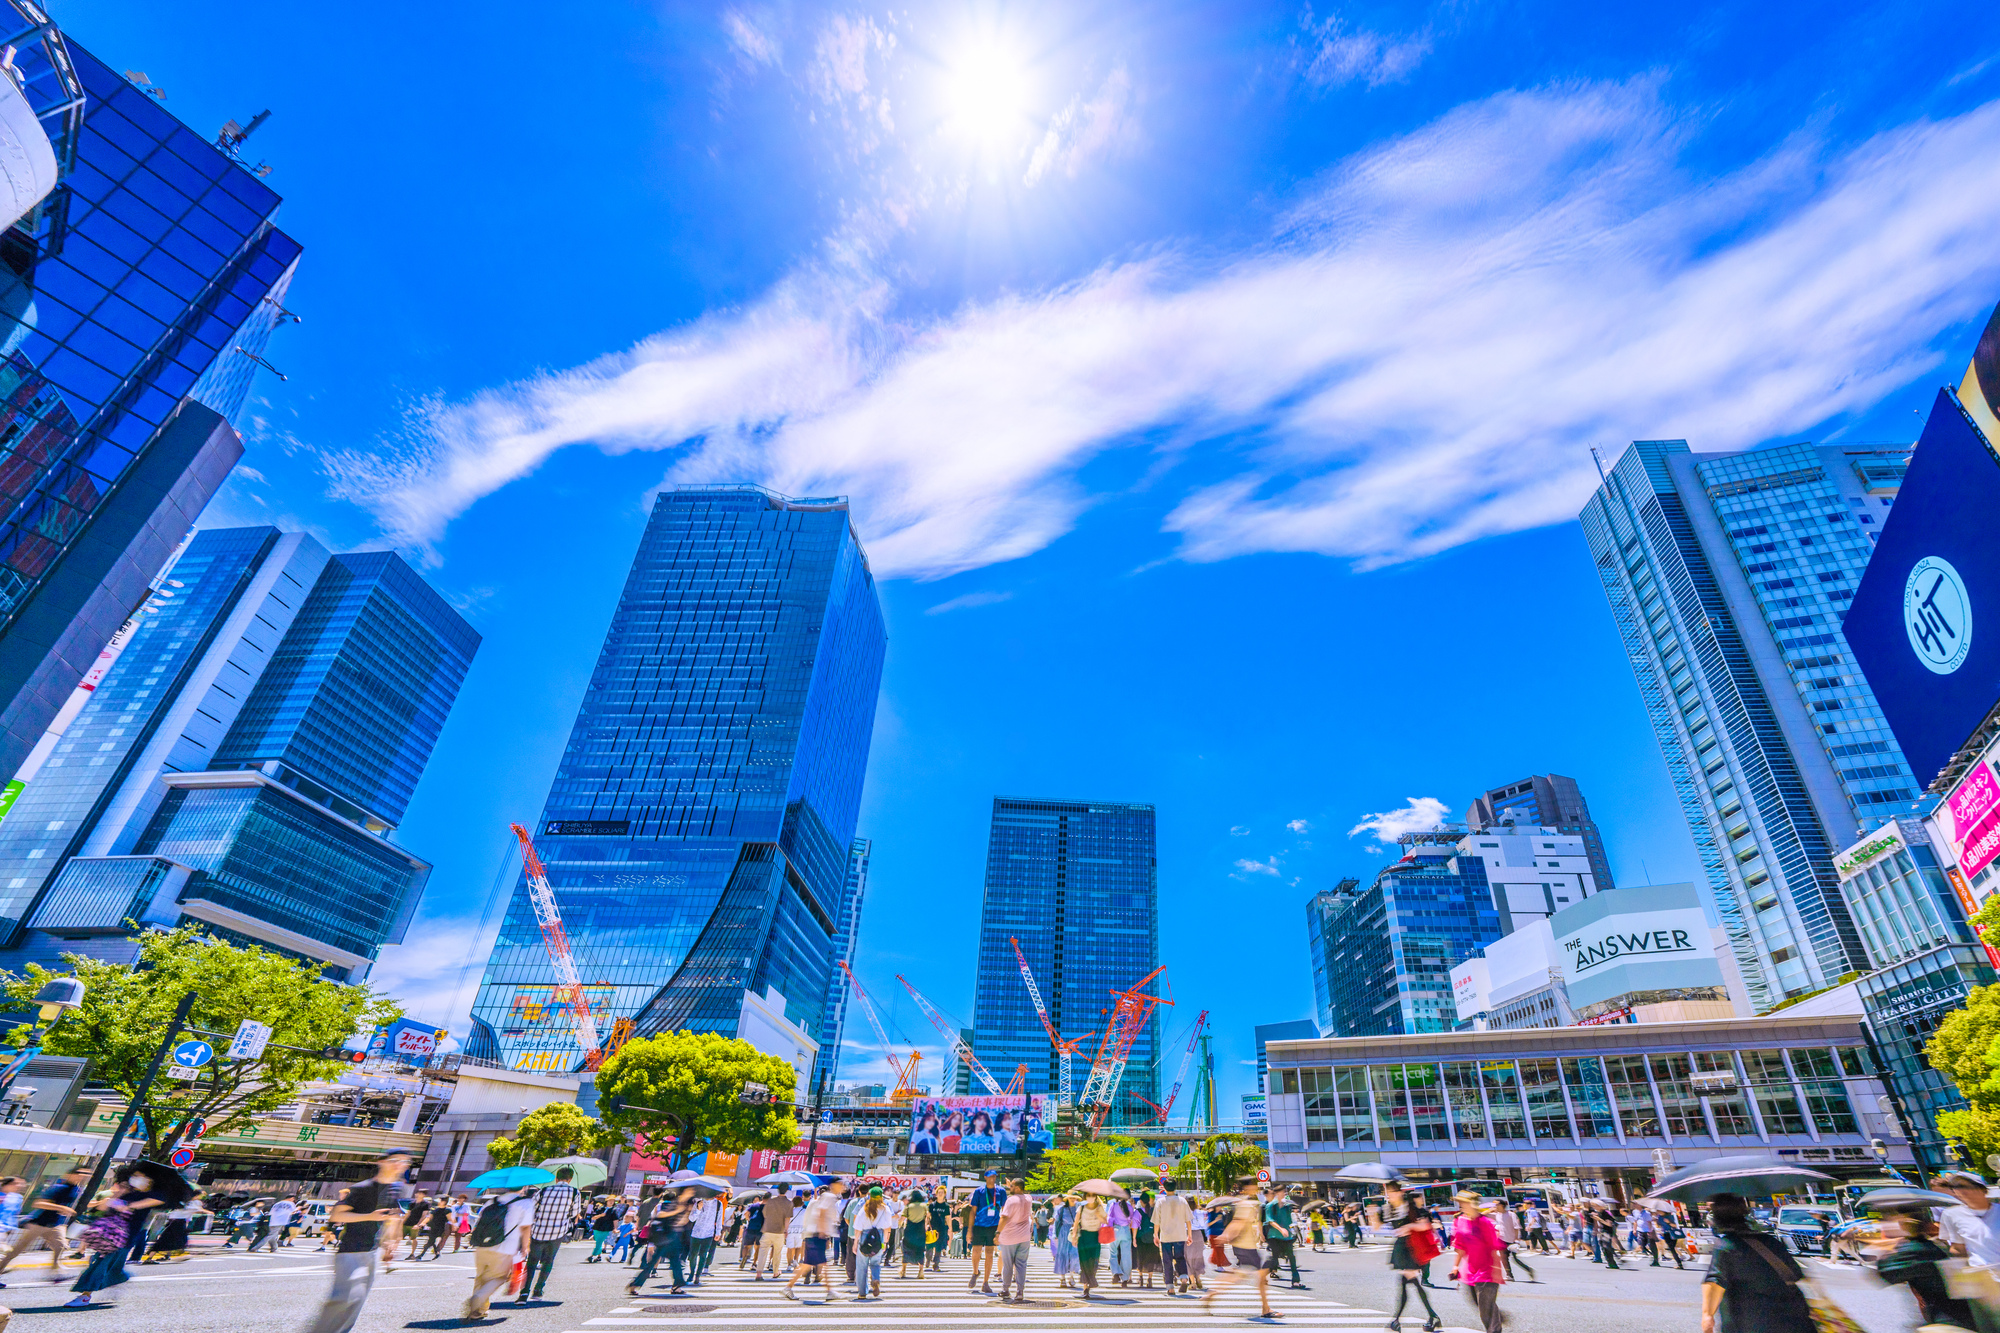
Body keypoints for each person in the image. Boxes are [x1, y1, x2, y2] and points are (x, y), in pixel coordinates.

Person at [304, 1150, 408, 1333]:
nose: (399, 1165)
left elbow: (391, 1217)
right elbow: (337, 1215)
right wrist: (369, 1216)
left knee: (356, 1302)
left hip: (372, 1252)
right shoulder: (363, 1188)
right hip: (351, 1251)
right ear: (381, 1162)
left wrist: (390, 1242)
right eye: (394, 1160)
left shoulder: (395, 1188)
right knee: (344, 1299)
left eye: (404, 1162)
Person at [1700, 1193, 1813, 1333]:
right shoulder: (1770, 1241)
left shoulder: (1725, 1246)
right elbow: (1795, 1274)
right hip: (1796, 1321)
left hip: (1753, 1323)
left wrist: (1707, 1315)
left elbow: (1715, 1282)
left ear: (1716, 1218)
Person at [1875, 1210, 1977, 1329]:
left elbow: (1885, 1274)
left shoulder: (1913, 1250)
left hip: (1947, 1320)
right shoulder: (1937, 1245)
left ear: (1904, 1225)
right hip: (1966, 1315)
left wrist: (1888, 1248)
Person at [0, 1163, 87, 1286]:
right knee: (17, 1250)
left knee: (60, 1246)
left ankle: (56, 1272)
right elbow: (38, 1204)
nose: (82, 1176)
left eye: (86, 1174)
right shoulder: (58, 1188)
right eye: (79, 1173)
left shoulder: (77, 1190)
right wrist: (62, 1208)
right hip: (39, 1223)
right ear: (69, 1175)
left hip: (55, 1224)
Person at [1202, 1180, 1278, 1320]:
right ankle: (1265, 1308)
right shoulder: (1246, 1204)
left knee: (1239, 1275)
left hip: (1243, 1245)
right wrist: (1226, 1236)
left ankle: (1212, 1293)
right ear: (1248, 1187)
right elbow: (1238, 1222)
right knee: (1260, 1275)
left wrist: (1227, 1236)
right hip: (1247, 1246)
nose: (1255, 1187)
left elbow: (1235, 1221)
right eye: (1253, 1185)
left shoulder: (1242, 1202)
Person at [461, 1187, 534, 1320]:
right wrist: (525, 1247)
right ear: (523, 1187)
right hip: (504, 1247)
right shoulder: (526, 1203)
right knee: (500, 1277)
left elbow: (479, 1221)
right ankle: (478, 1298)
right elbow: (525, 1227)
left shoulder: (493, 1201)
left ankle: (479, 1310)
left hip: (482, 1245)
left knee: (481, 1278)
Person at [1382, 1180, 1442, 1332]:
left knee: (1405, 1284)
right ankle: (1432, 1317)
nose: (1388, 1195)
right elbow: (1378, 1225)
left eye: (1391, 1192)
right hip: (1401, 1249)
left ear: (1399, 1192)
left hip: (1411, 1248)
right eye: (1387, 1192)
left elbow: (1426, 1225)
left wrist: (1409, 1226)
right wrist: (1372, 1214)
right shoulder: (1389, 1208)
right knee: (1411, 1283)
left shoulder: (1410, 1207)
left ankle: (1396, 1320)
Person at [522, 1165, 582, 1302]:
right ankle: (538, 1290)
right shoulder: (574, 1192)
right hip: (557, 1231)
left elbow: (532, 1207)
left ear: (556, 1178)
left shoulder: (544, 1190)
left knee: (532, 1261)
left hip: (539, 1230)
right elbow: (574, 1212)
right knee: (548, 1261)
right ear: (570, 1179)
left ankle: (524, 1292)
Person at [1448, 1191, 1505, 1333]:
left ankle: (1495, 1328)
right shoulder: (1461, 1220)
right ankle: (1497, 1319)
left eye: (1463, 1202)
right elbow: (1460, 1246)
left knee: (1486, 1311)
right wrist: (1455, 1266)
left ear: (1473, 1204)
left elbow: (1494, 1247)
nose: (1460, 1205)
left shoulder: (1485, 1223)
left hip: (1486, 1271)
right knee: (1480, 1305)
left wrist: (1496, 1270)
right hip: (1470, 1272)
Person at [783, 1178, 847, 1302]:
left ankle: (790, 1287)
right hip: (817, 1235)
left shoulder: (821, 1199)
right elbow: (821, 1213)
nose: (843, 1187)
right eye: (840, 1184)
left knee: (810, 1264)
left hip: (813, 1234)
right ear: (834, 1185)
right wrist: (823, 1232)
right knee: (816, 1264)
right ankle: (789, 1287)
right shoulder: (829, 1197)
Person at [1938, 1170, 2000, 1267]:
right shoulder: (1951, 1214)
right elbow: (1958, 1248)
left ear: (1982, 1189)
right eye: (1955, 1187)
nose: (1961, 1191)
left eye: (1965, 1186)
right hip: (1981, 1271)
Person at [997, 1178, 1033, 1304]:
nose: (1009, 1188)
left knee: (1008, 1264)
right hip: (1024, 1237)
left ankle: (1005, 1289)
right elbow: (1020, 1194)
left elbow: (1004, 1217)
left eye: (1011, 1186)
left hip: (1009, 1236)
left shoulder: (1011, 1200)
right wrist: (1011, 1185)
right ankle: (1020, 1291)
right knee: (1021, 1265)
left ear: (1017, 1188)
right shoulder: (1028, 1199)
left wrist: (997, 1233)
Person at [853, 1187, 892, 1300]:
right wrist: (885, 1242)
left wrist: (855, 1243)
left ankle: (862, 1292)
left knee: (862, 1266)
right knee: (876, 1263)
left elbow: (858, 1228)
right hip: (879, 1237)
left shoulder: (864, 1208)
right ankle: (875, 1279)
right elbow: (887, 1227)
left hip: (865, 1237)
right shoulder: (885, 1209)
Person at [968, 1171, 1004, 1293]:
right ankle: (975, 1272)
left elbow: (1005, 1211)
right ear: (985, 1177)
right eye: (990, 1176)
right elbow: (972, 1211)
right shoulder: (979, 1191)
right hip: (979, 1225)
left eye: (994, 1176)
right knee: (976, 1251)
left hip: (993, 1226)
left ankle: (985, 1282)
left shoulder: (1001, 1191)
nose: (992, 1178)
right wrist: (969, 1230)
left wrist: (1001, 1231)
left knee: (989, 1253)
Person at [1155, 1181, 1192, 1294]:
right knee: (1180, 1257)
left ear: (1164, 1188)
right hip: (1180, 1234)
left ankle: (1170, 1287)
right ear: (1175, 1188)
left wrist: (1155, 1235)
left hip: (1166, 1235)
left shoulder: (1160, 1202)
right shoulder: (1182, 1201)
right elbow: (1188, 1220)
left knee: (1167, 1260)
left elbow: (1156, 1221)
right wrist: (1189, 1235)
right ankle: (1184, 1278)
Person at [1265, 1187, 1303, 1289]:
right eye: (1283, 1192)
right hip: (1274, 1236)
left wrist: (1292, 1230)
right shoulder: (1270, 1206)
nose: (1284, 1194)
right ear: (1277, 1193)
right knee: (1275, 1259)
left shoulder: (1287, 1206)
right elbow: (1270, 1220)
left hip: (1287, 1237)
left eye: (1285, 1192)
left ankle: (1295, 1281)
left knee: (1292, 1258)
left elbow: (1289, 1221)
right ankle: (1263, 1274)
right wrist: (1281, 1229)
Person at [1073, 1191, 1108, 1298]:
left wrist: (1098, 1216)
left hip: (1095, 1237)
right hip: (1083, 1236)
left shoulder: (1099, 1208)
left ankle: (1090, 1283)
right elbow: (1076, 1223)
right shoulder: (1081, 1208)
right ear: (1085, 1197)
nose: (1091, 1197)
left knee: (1093, 1262)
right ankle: (1085, 1288)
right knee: (1084, 1262)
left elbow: (1106, 1221)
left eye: (1093, 1195)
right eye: (1089, 1195)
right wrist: (1074, 1236)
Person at [1489, 1199, 1534, 1282]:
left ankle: (1529, 1270)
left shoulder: (1511, 1214)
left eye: (1496, 1205)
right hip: (1502, 1239)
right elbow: (1482, 1215)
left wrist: (1516, 1238)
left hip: (1511, 1240)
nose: (1495, 1206)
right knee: (1503, 1258)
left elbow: (1516, 1227)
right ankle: (1509, 1275)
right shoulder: (1497, 1215)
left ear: (1502, 1205)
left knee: (1515, 1259)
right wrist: (1490, 1210)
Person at [755, 1187, 792, 1278]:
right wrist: (786, 1230)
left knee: (763, 1251)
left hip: (767, 1229)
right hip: (779, 1231)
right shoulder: (789, 1203)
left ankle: (759, 1273)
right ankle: (775, 1272)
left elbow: (765, 1214)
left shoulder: (770, 1201)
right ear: (786, 1190)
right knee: (777, 1252)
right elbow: (787, 1219)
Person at [1107, 1189, 1139, 1285]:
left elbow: (1109, 1218)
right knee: (1126, 1255)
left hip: (1115, 1230)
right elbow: (1131, 1220)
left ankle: (1116, 1272)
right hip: (1126, 1231)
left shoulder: (1114, 1205)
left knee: (1113, 1252)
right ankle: (1125, 1278)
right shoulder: (1130, 1207)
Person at [1052, 1194, 1080, 1288]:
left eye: (1074, 1197)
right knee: (1062, 1254)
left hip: (1074, 1233)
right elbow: (1057, 1222)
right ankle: (1062, 1277)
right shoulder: (1062, 1209)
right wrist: (1055, 1234)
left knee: (1074, 1255)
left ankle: (1071, 1276)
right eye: (1070, 1197)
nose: (1072, 1199)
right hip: (1064, 1233)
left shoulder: (1079, 1208)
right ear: (1067, 1199)